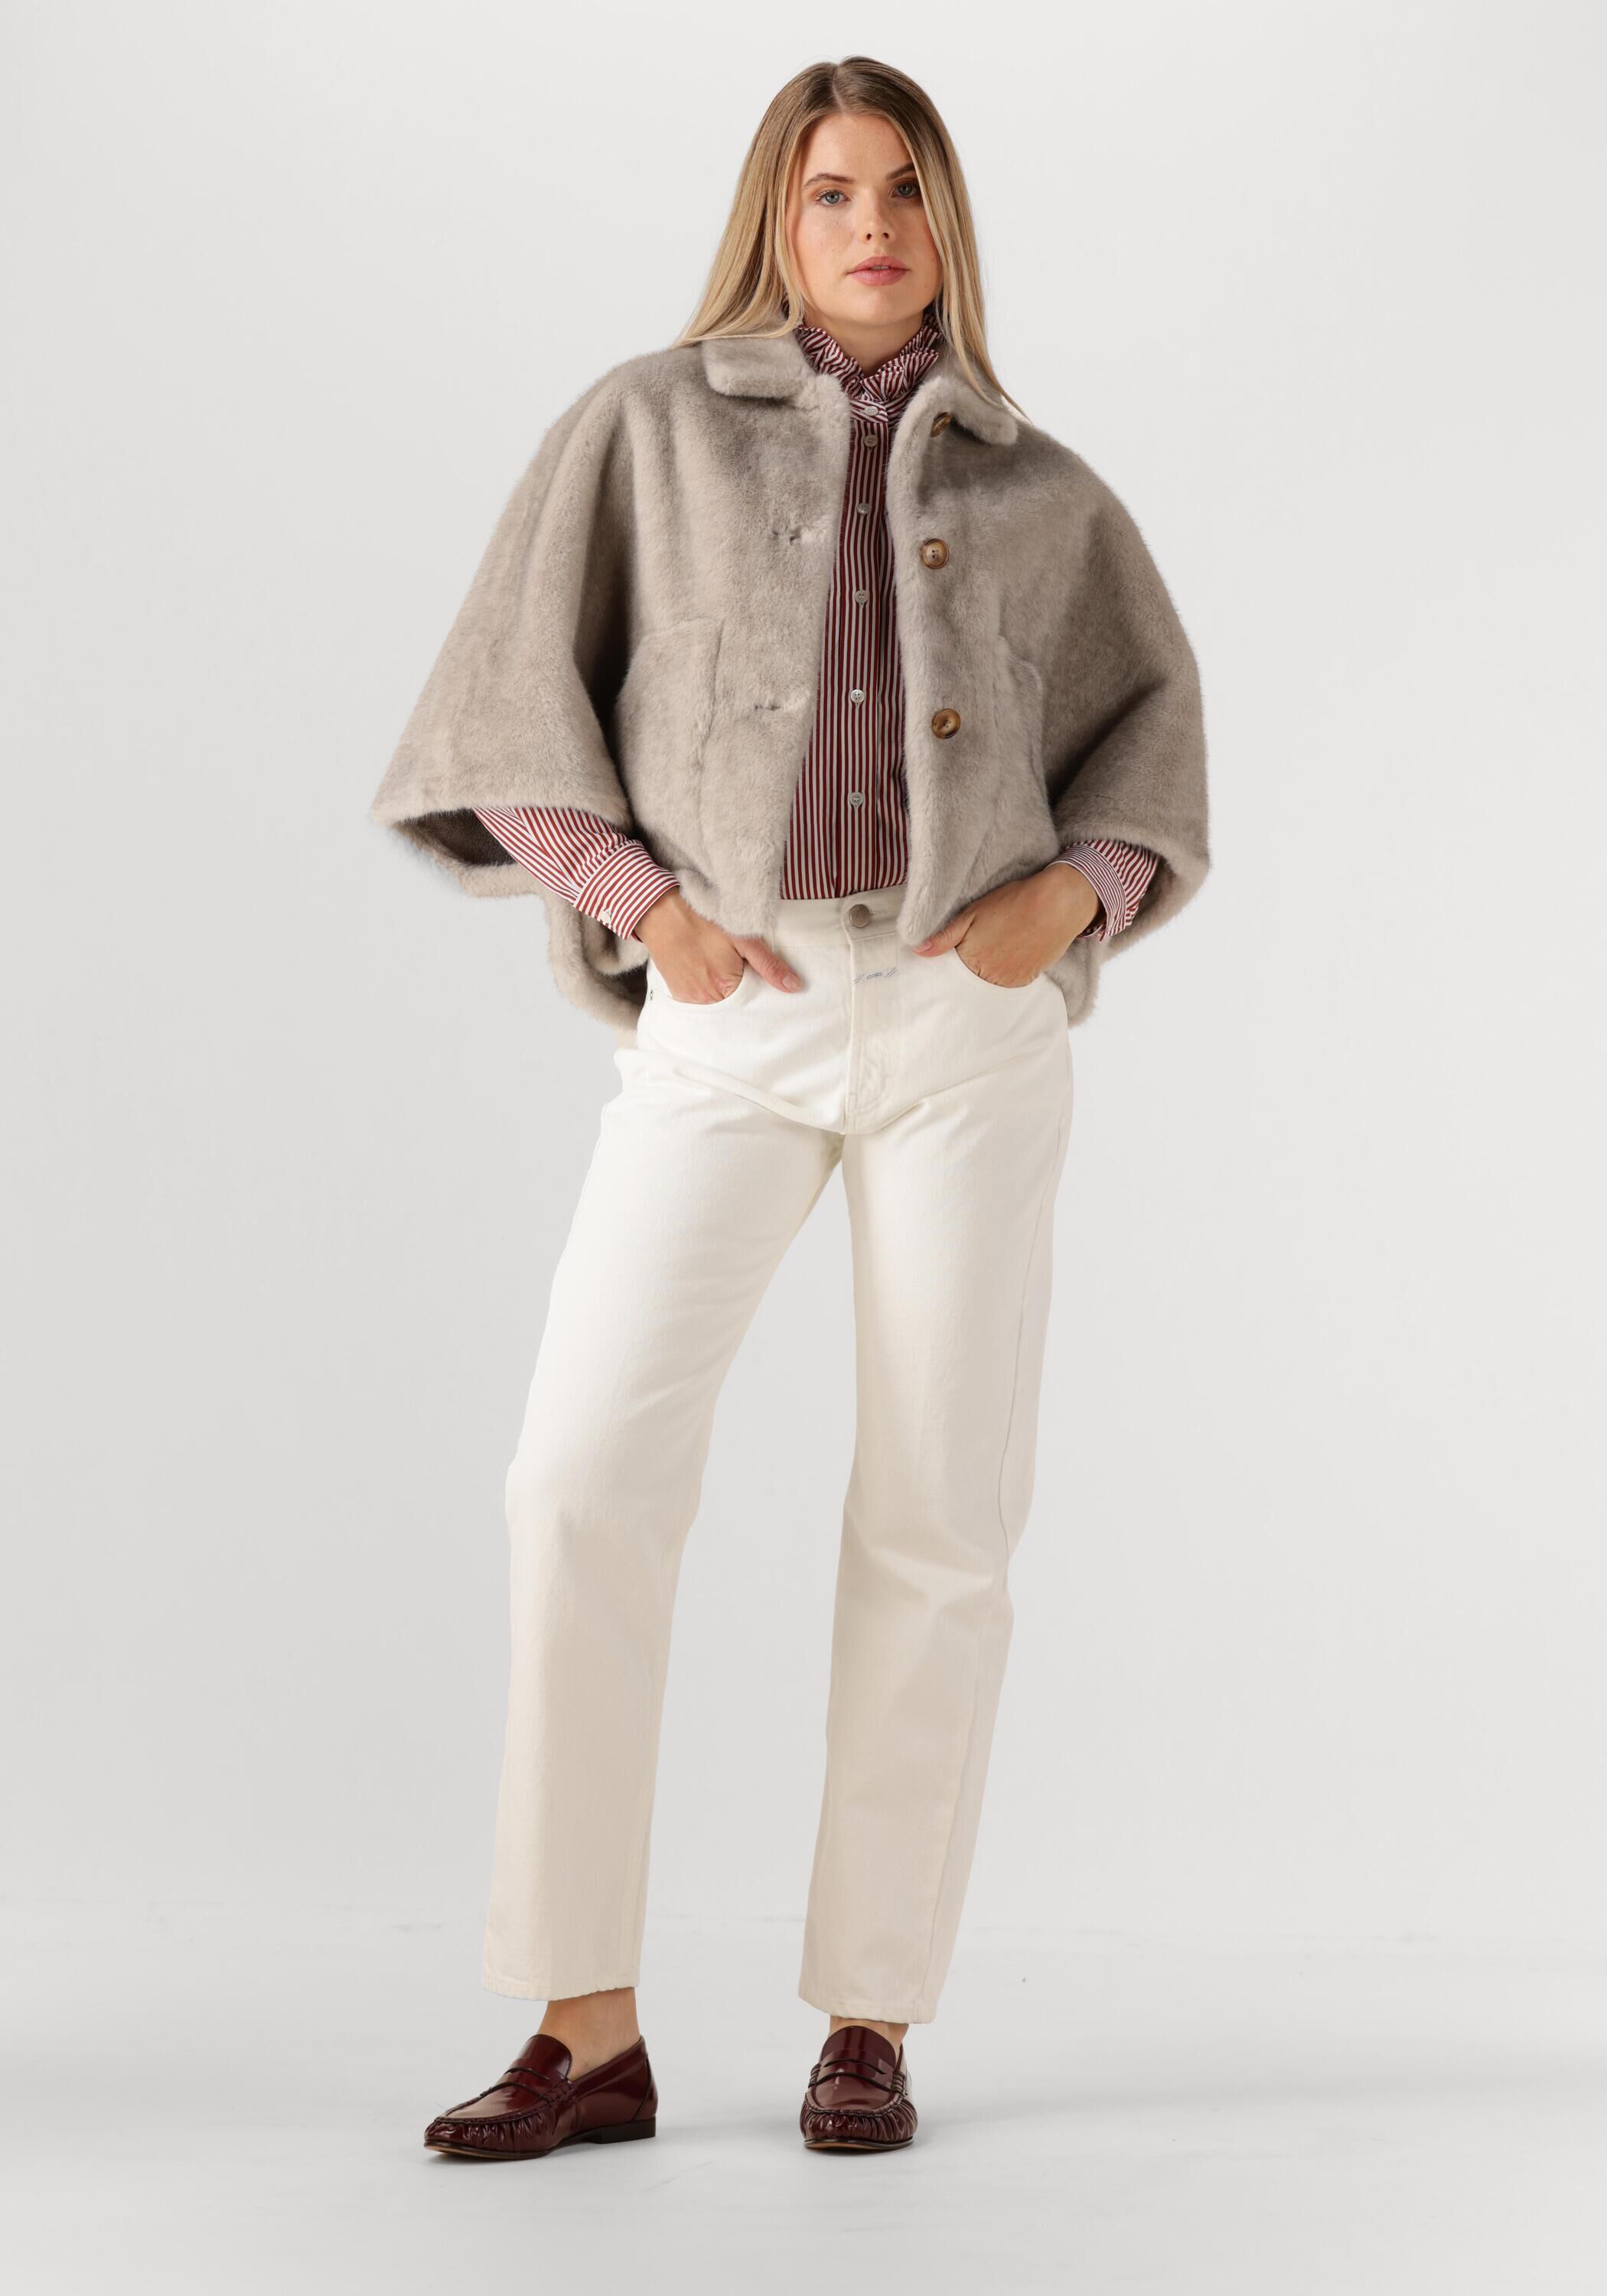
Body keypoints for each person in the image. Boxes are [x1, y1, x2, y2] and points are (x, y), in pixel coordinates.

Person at [369, 54, 1208, 2160]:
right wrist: (644, 907)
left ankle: (870, 2019)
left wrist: (1071, 899)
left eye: (906, 190)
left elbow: (1150, 748)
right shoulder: (644, 426)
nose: (872, 225)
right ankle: (585, 2027)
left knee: (939, 1513)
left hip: (964, 1029)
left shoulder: (1040, 487)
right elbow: (503, 706)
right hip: (726, 1015)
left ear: (947, 224)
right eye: (833, 189)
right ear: (775, 211)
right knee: (580, 1477)